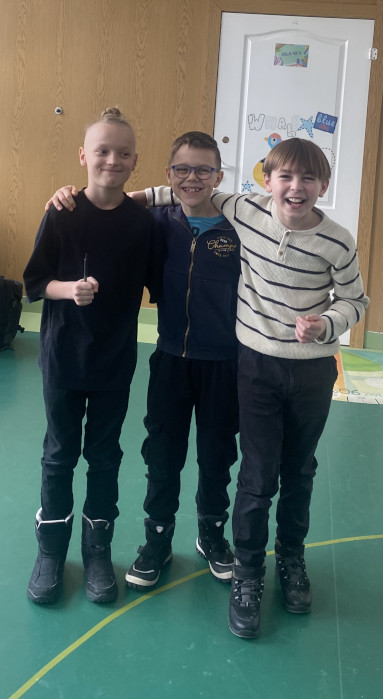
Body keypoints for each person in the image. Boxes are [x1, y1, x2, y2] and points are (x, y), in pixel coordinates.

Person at [176, 137, 369, 640]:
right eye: (285, 176)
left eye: (308, 178)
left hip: (312, 372)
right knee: (258, 475)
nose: (296, 187)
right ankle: (247, 572)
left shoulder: (338, 241)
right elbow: (190, 187)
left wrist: (326, 324)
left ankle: (290, 558)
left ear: (324, 185)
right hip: (257, 368)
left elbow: (355, 300)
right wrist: (118, 196)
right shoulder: (246, 210)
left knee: (299, 470)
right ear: (267, 181)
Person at [47, 131, 241, 592]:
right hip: (170, 359)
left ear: (219, 176)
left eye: (204, 170)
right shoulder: (157, 222)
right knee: (163, 454)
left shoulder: (240, 225)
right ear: (168, 174)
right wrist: (70, 195)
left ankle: (212, 536)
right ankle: (157, 541)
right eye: (182, 169)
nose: (192, 178)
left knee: (217, 454)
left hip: (224, 363)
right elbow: (114, 206)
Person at [23, 107, 158, 607]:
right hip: (63, 358)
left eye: (123, 153)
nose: (112, 160)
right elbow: (35, 282)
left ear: (135, 161)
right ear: (83, 155)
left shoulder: (143, 223)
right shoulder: (61, 211)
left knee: (104, 457)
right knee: (59, 455)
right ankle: (51, 552)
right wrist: (69, 289)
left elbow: (163, 282)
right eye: (102, 151)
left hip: (113, 363)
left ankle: (97, 551)